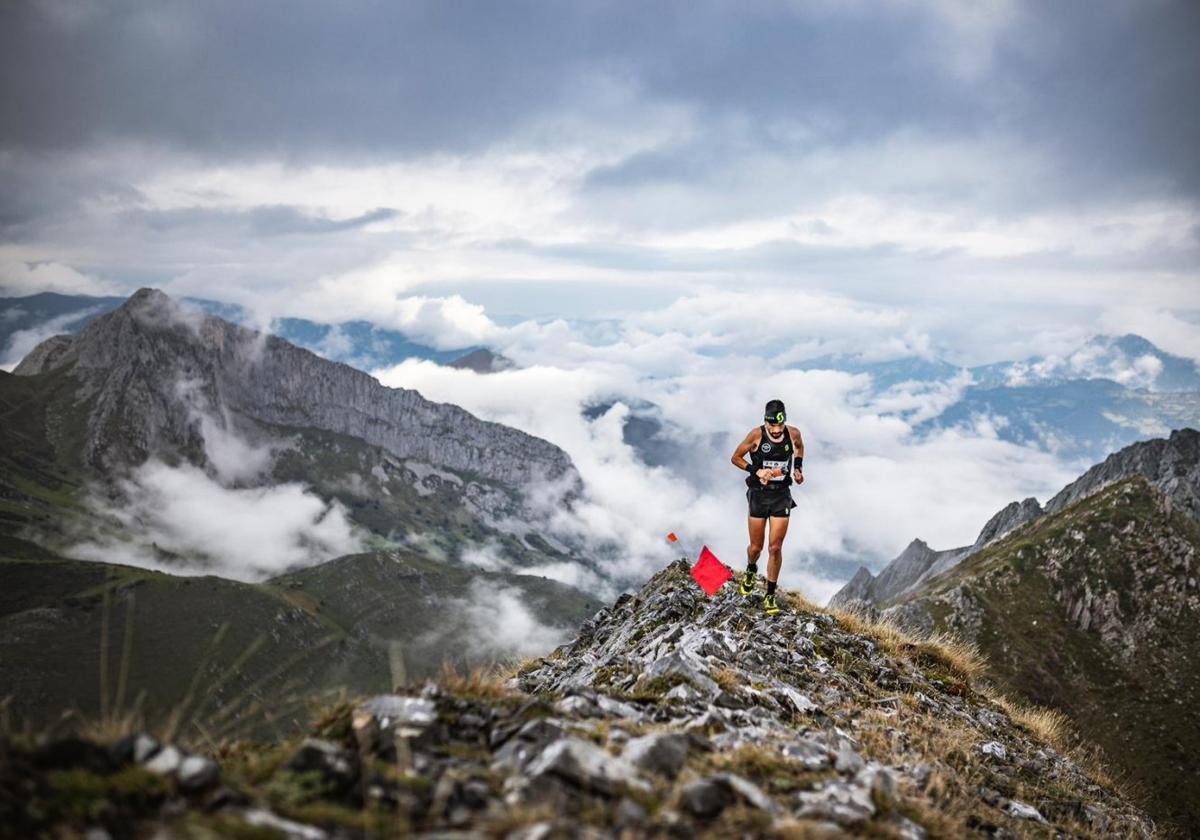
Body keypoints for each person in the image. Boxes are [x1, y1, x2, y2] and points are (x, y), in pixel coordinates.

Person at [730, 399, 804, 614]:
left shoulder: (794, 434)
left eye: (780, 426)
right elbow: (735, 458)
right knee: (756, 548)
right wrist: (756, 470)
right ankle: (751, 569)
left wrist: (798, 469)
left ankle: (770, 595)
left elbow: (799, 449)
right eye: (772, 426)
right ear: (765, 422)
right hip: (758, 495)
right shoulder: (756, 435)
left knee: (775, 548)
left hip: (781, 495)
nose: (776, 430)